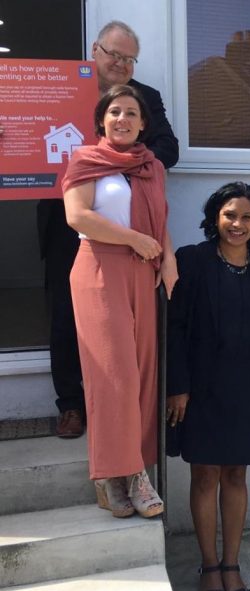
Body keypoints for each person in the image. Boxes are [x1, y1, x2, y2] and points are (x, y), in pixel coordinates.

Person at [37, 19, 179, 438]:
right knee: (65, 315)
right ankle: (71, 404)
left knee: (125, 329)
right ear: (94, 51)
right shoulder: (58, 87)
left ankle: (123, 410)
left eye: (129, 57)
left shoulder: (144, 99)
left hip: (126, 226)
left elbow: (169, 149)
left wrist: (121, 154)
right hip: (70, 221)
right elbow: (27, 140)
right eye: (114, 53)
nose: (120, 63)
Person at [62, 84, 177, 518]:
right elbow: (78, 216)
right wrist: (136, 240)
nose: (123, 119)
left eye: (131, 113)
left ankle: (125, 474)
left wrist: (167, 259)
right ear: (102, 121)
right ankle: (125, 474)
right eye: (115, 112)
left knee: (143, 375)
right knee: (114, 375)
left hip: (142, 271)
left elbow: (160, 218)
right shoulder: (86, 160)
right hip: (99, 268)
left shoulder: (151, 166)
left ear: (144, 123)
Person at [166, 182, 250, 591]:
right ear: (216, 217)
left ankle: (231, 564)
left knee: (236, 474)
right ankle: (209, 565)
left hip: (245, 387)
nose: (238, 224)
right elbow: (175, 327)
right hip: (200, 389)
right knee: (204, 476)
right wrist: (177, 387)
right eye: (230, 215)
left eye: (247, 217)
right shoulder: (192, 260)